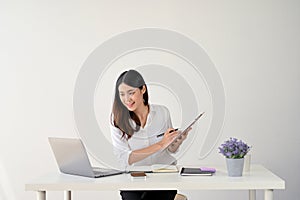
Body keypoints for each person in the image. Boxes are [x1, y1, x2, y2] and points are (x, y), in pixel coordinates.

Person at [110, 69, 190, 200]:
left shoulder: (162, 112)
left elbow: (170, 150)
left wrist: (175, 142)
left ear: (143, 89)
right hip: (133, 178)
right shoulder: (117, 119)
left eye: (131, 93)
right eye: (122, 94)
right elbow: (125, 158)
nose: (126, 99)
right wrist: (161, 144)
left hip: (163, 176)